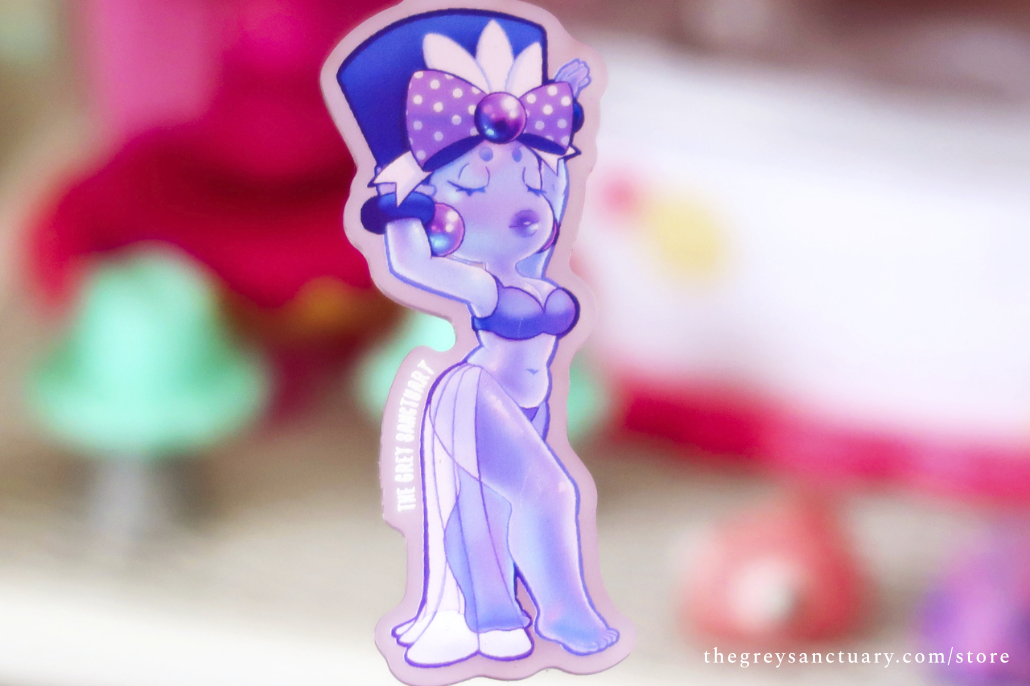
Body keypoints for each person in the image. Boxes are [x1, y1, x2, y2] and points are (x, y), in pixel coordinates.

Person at [337, 12, 618, 666]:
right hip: (476, 396)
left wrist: (567, 105)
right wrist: (398, 210)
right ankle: (566, 615)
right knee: (550, 493)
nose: (518, 206)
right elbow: (413, 265)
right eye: (472, 188)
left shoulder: (536, 273)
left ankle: (491, 616)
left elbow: (555, 198)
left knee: (482, 512)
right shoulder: (483, 287)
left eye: (532, 182)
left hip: (528, 405)